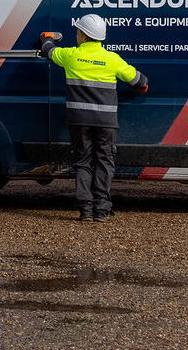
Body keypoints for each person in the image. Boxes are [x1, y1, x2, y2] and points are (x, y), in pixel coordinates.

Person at [41, 13, 148, 222]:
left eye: (78, 31)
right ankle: (102, 209)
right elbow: (138, 81)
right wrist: (144, 85)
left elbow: (49, 51)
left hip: (79, 121)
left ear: (83, 35)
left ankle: (86, 211)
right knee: (104, 161)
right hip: (105, 123)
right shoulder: (112, 59)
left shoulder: (71, 55)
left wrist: (47, 37)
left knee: (82, 162)